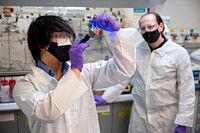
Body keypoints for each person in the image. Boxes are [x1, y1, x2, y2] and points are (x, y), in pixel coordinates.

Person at [13, 14, 137, 133]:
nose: (67, 41)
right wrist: (75, 69)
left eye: (67, 36)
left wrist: (115, 32)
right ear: (42, 45)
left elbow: (123, 70)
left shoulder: (85, 72)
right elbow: (47, 111)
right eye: (60, 36)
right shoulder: (24, 86)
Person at [93, 12, 195, 133]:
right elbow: (124, 76)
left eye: (151, 26)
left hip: (166, 118)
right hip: (139, 117)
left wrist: (183, 122)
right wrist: (106, 97)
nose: (147, 31)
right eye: (143, 28)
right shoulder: (137, 49)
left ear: (161, 27)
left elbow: (187, 90)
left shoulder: (178, 53)